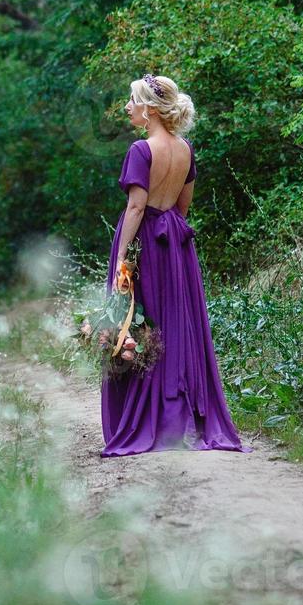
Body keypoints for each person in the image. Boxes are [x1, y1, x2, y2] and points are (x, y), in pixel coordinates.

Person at [101, 73, 251, 456]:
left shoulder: (141, 150)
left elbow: (136, 206)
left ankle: (144, 421)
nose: (128, 107)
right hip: (175, 244)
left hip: (146, 242)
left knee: (140, 322)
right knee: (174, 325)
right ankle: (179, 415)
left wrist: (122, 257)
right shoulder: (185, 149)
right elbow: (184, 206)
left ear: (149, 109)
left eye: (132, 101)